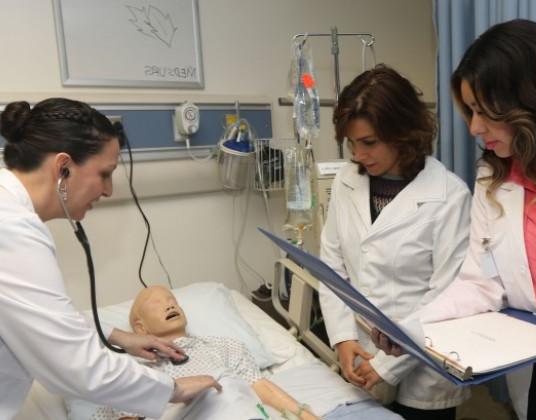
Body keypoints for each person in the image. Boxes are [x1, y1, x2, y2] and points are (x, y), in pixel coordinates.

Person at [371, 19, 536, 420]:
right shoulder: (494, 177)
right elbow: (480, 283)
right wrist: (408, 327)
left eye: (485, 112)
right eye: (470, 111)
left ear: (532, 100)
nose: (475, 128)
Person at [0, 98, 221, 419]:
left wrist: (117, 337)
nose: (108, 190)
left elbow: (41, 319)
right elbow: (75, 367)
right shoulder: (12, 227)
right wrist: (172, 389)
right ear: (63, 168)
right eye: (105, 173)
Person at [318, 64, 472, 420]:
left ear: (403, 132)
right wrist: (342, 339)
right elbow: (331, 267)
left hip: (425, 361)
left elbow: (446, 295)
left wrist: (389, 365)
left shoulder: (449, 195)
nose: (358, 155)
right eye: (351, 143)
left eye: (369, 142)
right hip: (360, 351)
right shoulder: (346, 181)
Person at [87, 285, 320, 420]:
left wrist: (306, 416)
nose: (170, 305)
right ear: (140, 327)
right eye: (156, 304)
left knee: (226, 384)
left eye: (172, 300)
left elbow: (260, 387)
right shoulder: (130, 370)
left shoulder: (224, 346)